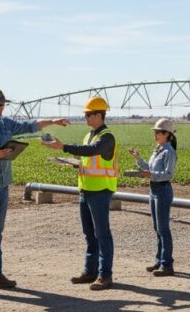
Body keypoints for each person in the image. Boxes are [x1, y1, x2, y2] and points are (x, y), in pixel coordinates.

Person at [0, 89, 68, 296]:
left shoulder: (5, 123)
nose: (0, 108)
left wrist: (52, 120)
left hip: (1, 185)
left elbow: (29, 125)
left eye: (2, 105)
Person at [42, 96, 117, 291]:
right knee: (89, 234)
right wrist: (75, 162)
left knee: (102, 234)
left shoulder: (107, 137)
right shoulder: (89, 134)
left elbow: (92, 151)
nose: (85, 117)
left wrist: (64, 147)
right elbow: (87, 156)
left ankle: (105, 275)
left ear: (99, 115)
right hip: (86, 190)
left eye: (88, 114)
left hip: (100, 191)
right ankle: (90, 271)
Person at [128, 118, 178, 277]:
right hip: (154, 190)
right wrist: (138, 158)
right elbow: (149, 168)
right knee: (157, 228)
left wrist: (151, 175)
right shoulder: (158, 149)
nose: (155, 135)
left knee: (163, 229)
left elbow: (168, 174)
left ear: (167, 134)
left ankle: (167, 265)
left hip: (162, 191)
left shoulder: (169, 152)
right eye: (155, 132)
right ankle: (160, 260)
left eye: (158, 132)